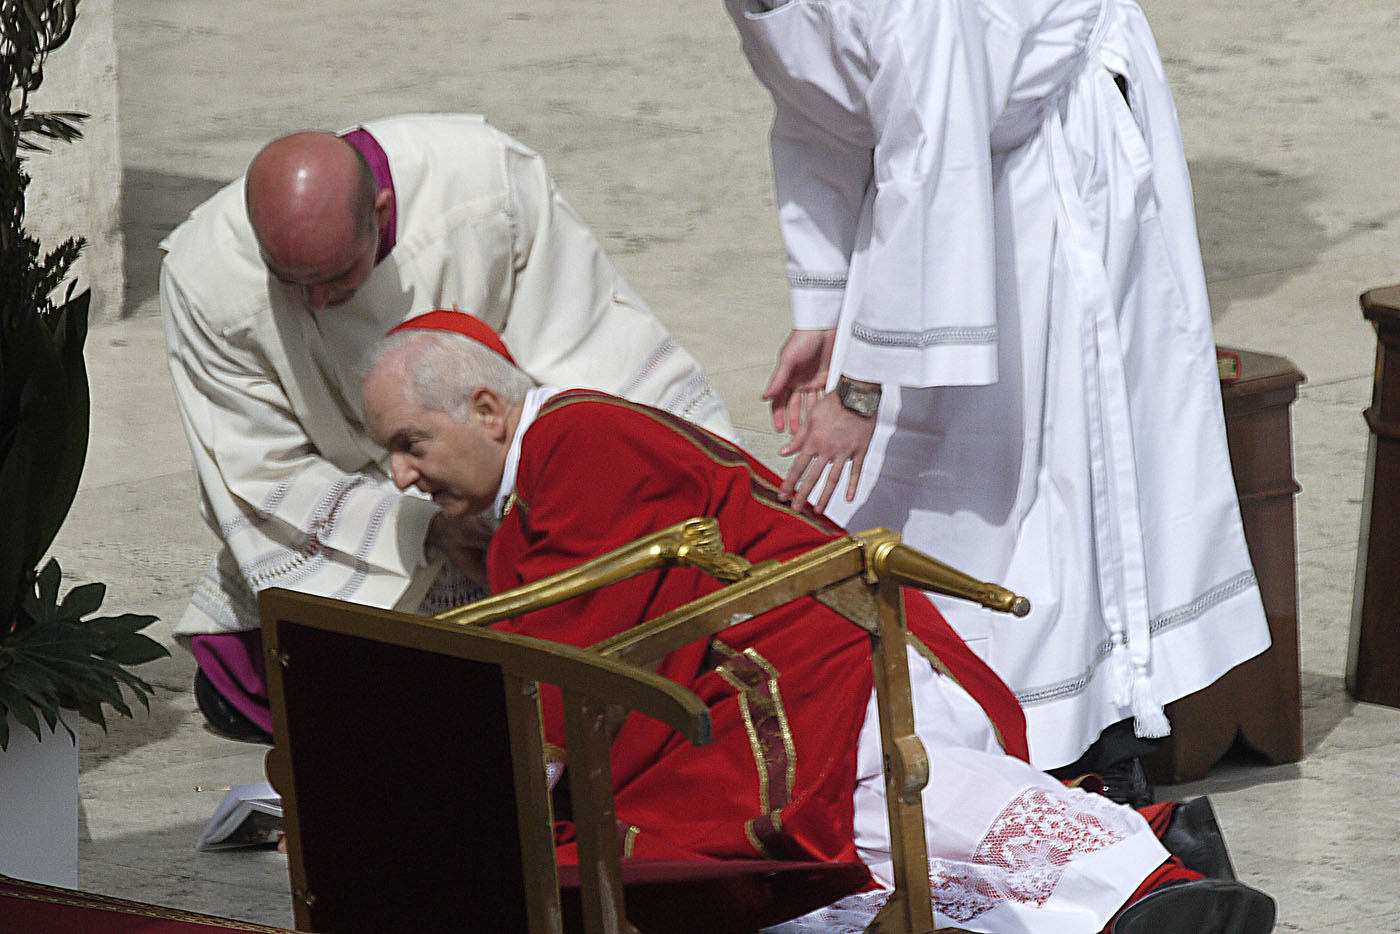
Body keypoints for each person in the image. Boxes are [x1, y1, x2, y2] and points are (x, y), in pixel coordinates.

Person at [358, 311, 1276, 934]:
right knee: (875, 856)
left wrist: (477, 785)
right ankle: (1148, 851)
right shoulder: (533, 487)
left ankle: (1149, 884)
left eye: (410, 443)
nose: (402, 475)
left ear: (484, 408)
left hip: (820, 666)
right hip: (768, 679)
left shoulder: (576, 441)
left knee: (892, 807)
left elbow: (564, 648)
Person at [722, 0, 1272, 789]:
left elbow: (927, 157)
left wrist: (861, 389)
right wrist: (822, 310)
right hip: (947, 163)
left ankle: (1092, 737)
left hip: (1056, 139)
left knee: (1057, 453)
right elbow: (815, 124)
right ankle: (959, 716)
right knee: (947, 472)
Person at [159, 113, 733, 743]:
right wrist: (424, 526)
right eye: (291, 282)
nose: (315, 302)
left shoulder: (486, 183)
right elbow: (259, 469)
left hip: (512, 476)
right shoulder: (203, 277)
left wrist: (522, 497)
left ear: (379, 215)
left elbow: (590, 348)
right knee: (295, 672)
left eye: (335, 279)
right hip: (370, 516)